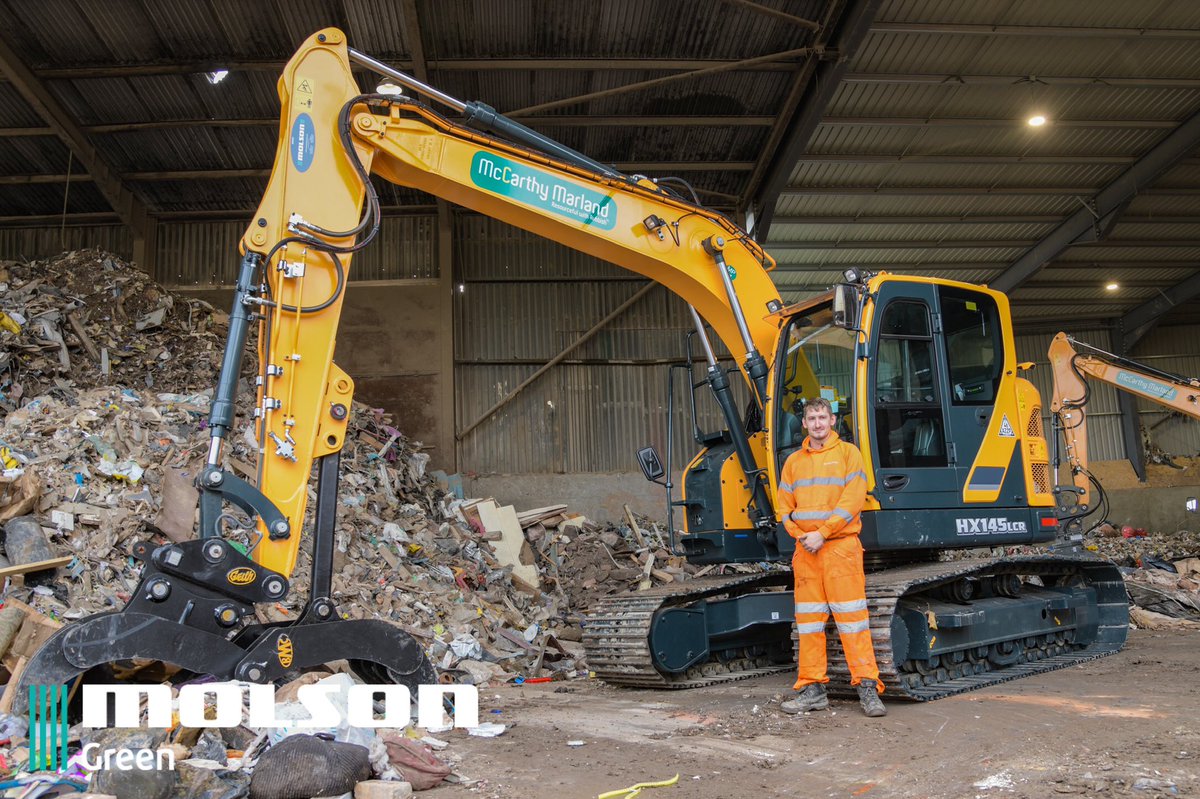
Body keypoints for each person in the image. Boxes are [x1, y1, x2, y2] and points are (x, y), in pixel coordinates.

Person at [777, 397, 886, 718]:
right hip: (806, 553)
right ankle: (812, 690)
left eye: (822, 417)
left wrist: (822, 533)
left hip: (840, 548)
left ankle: (868, 688)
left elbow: (853, 499)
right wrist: (801, 536)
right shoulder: (793, 462)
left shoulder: (849, 454)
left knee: (853, 621)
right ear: (805, 424)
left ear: (833, 421)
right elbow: (784, 507)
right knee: (809, 625)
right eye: (811, 418)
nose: (817, 423)